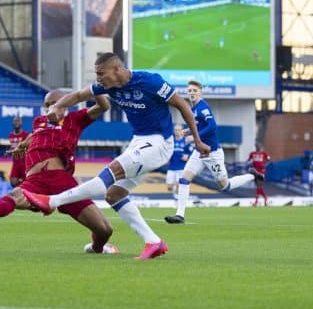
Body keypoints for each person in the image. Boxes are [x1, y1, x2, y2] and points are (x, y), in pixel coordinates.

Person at [21, 53, 210, 259]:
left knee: (109, 174)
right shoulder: (107, 85)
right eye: (96, 74)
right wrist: (59, 106)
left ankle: (52, 201)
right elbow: (77, 96)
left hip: (159, 142)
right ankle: (154, 242)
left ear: (117, 70)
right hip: (139, 140)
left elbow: (182, 105)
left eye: (101, 74)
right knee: (112, 194)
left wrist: (198, 140)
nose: (98, 79)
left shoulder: (150, 81)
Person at [0, 89, 119, 254]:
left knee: (105, 230)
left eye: (54, 103)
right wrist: (23, 144)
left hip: (61, 181)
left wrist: (95, 89)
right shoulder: (39, 121)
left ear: (66, 101)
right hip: (35, 180)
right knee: (15, 196)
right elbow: (36, 135)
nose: (49, 108)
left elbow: (104, 106)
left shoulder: (76, 119)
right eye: (46, 105)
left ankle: (96, 248)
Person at [164, 80, 256, 224]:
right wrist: (186, 131)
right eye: (189, 91)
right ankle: (180, 215)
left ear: (200, 92)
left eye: (195, 90)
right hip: (198, 152)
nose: (192, 93)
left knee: (225, 186)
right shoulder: (193, 109)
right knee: (184, 179)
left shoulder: (203, 107)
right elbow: (198, 126)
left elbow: (212, 126)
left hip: (212, 153)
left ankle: (252, 175)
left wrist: (193, 137)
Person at [165, 124, 191, 196]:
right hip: (171, 167)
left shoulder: (185, 141)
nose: (177, 131)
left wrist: (187, 156)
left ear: (182, 131)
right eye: (176, 130)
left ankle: (177, 199)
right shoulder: (171, 141)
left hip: (181, 168)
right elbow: (166, 150)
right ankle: (175, 194)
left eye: (179, 130)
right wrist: (166, 158)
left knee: (178, 185)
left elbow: (191, 152)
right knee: (169, 187)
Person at [7, 116, 29, 187]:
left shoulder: (26, 135)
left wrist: (20, 150)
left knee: (27, 182)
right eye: (15, 121)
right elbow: (12, 147)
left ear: (21, 123)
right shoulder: (11, 135)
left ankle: (24, 193)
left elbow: (28, 147)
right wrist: (9, 151)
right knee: (13, 182)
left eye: (18, 121)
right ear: (12, 123)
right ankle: (21, 189)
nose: (17, 123)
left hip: (24, 162)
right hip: (15, 163)